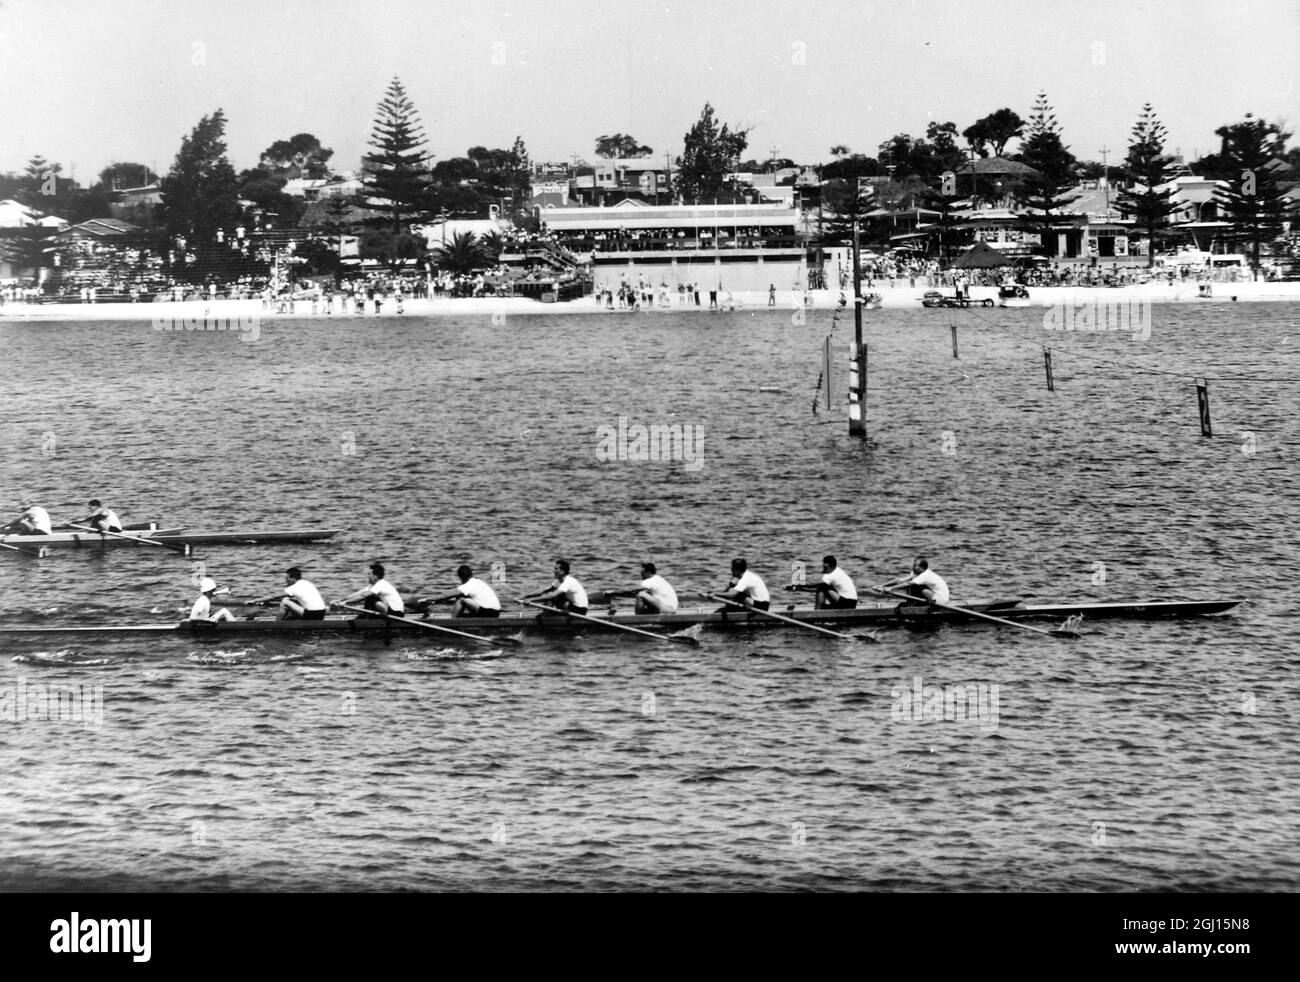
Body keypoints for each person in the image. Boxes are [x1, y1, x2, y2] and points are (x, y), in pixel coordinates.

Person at [419, 565, 502, 618]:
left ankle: (452, 623)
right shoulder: (477, 582)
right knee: (461, 597)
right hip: (496, 612)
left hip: (489, 613)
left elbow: (446, 595)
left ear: (460, 577)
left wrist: (427, 599)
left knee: (461, 599)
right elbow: (450, 599)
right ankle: (458, 619)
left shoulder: (467, 585)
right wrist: (435, 602)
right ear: (471, 574)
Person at [248, 567, 328, 620]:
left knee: (285, 602)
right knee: (289, 600)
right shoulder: (307, 583)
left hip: (313, 615)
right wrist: (266, 601)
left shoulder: (294, 587)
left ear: (293, 578)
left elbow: (274, 596)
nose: (285, 580)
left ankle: (276, 624)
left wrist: (255, 600)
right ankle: (291, 619)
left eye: (287, 578)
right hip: (321, 614)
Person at [605, 561, 678, 614]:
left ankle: (638, 618)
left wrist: (613, 592)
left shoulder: (650, 581)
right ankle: (645, 615)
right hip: (671, 609)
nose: (641, 575)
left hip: (667, 609)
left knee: (641, 594)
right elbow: (632, 594)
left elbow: (631, 590)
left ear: (648, 573)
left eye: (642, 573)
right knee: (645, 594)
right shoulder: (658, 579)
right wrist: (616, 594)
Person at [522, 558, 588, 615]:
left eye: (556, 569)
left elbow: (552, 595)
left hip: (580, 610)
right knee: (548, 593)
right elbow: (543, 591)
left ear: (562, 571)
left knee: (551, 596)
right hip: (571, 607)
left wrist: (531, 600)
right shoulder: (558, 581)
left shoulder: (568, 582)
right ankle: (547, 615)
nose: (553, 571)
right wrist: (526, 596)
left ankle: (547, 616)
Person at [789, 555, 858, 609]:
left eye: (825, 567)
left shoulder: (831, 575)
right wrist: (799, 588)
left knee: (823, 587)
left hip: (848, 603)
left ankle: (817, 613)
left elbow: (813, 585)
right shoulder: (837, 570)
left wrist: (799, 585)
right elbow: (817, 589)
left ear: (831, 566)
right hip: (852, 603)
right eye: (823, 567)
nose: (823, 569)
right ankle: (820, 609)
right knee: (823, 587)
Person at [340, 562, 405, 618]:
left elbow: (362, 596)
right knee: (369, 596)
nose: (368, 576)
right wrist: (340, 600)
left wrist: (346, 602)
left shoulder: (381, 584)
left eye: (369, 574)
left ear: (375, 576)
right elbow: (358, 593)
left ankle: (366, 619)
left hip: (396, 614)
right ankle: (366, 617)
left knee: (370, 597)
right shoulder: (374, 586)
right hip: (391, 611)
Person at [882, 556, 950, 605]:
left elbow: (908, 583)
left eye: (915, 566)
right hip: (933, 595)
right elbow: (900, 580)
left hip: (941, 600)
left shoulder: (925, 575)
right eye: (913, 565)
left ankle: (914, 605)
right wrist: (882, 585)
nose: (913, 567)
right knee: (912, 584)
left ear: (922, 568)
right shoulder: (916, 573)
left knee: (914, 585)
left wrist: (891, 588)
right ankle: (912, 604)